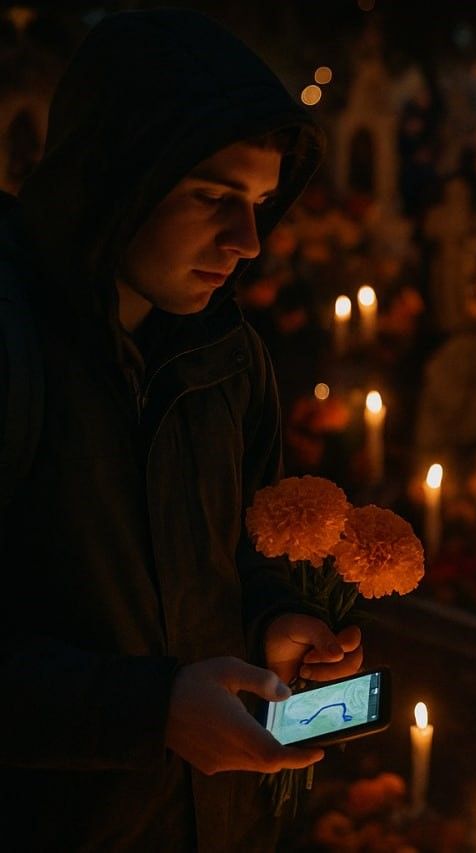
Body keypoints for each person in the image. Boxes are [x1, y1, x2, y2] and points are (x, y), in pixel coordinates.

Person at [0, 10, 363, 849]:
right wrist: (149, 710)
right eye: (213, 197)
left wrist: (278, 623)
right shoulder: (16, 345)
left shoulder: (228, 359)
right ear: (118, 174)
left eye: (262, 205)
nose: (246, 243)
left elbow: (245, 557)